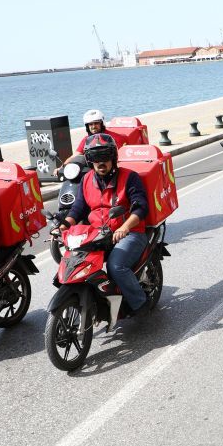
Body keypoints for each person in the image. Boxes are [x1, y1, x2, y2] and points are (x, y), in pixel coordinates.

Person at [61, 133, 152, 315]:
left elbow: (141, 207)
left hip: (130, 232)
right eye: (95, 157)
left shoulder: (130, 177)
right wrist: (64, 225)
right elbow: (78, 208)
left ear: (113, 157)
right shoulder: (87, 179)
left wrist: (125, 227)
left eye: (105, 156)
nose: (101, 162)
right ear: (89, 160)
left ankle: (140, 303)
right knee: (77, 264)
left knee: (115, 266)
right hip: (98, 233)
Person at [55, 109, 127, 175]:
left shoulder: (114, 137)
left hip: (112, 170)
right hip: (95, 171)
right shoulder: (87, 140)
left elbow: (126, 149)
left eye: (96, 123)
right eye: (90, 124)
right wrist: (62, 167)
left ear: (101, 124)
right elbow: (75, 155)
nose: (93, 126)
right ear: (87, 126)